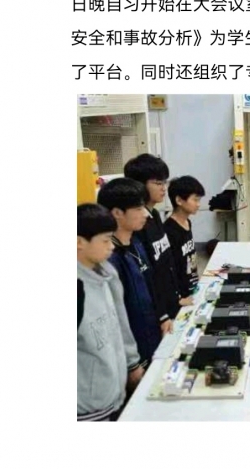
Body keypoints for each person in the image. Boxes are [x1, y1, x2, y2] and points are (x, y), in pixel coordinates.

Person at [77, 203, 144, 421]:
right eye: (105, 240)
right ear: (79, 242)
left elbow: (120, 324)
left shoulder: (107, 274)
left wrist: (132, 363)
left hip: (113, 396)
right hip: (86, 410)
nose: (111, 247)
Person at [97, 178, 162, 365]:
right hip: (131, 353)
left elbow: (151, 285)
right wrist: (131, 363)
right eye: (139, 209)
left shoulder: (136, 242)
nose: (146, 214)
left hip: (152, 338)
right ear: (117, 213)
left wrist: (162, 317)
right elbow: (116, 316)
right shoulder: (109, 260)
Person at [124, 153, 187, 332]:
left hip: (171, 303)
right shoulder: (138, 224)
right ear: (140, 185)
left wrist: (177, 299)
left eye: (165, 182)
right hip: (157, 313)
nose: (164, 188)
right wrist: (162, 314)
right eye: (158, 183)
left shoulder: (156, 215)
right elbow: (149, 275)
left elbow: (166, 263)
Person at [165, 175, 206, 299]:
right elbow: (170, 268)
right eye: (195, 200)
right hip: (181, 293)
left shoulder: (187, 222)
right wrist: (178, 297)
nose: (198, 204)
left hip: (192, 284)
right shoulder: (169, 230)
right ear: (179, 200)